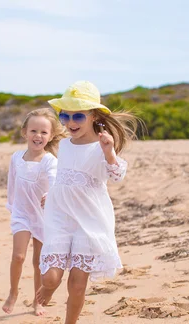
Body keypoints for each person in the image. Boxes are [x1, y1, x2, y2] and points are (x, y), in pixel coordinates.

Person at [36, 81, 139, 323]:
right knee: (50, 278)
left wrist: (109, 152)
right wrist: (52, 193)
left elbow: (116, 175)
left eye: (78, 116)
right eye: (65, 116)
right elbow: (66, 176)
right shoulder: (63, 144)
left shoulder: (102, 145)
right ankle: (48, 289)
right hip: (60, 215)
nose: (71, 122)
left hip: (89, 220)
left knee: (77, 284)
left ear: (93, 115)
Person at [2, 107, 66, 316]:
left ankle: (37, 300)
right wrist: (12, 206)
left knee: (38, 261)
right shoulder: (16, 158)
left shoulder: (50, 161)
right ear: (25, 132)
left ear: (51, 136)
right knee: (18, 256)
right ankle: (13, 292)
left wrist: (53, 195)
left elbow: (56, 181)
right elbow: (11, 184)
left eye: (44, 132)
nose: (38, 136)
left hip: (42, 216)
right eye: (34, 131)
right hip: (21, 213)